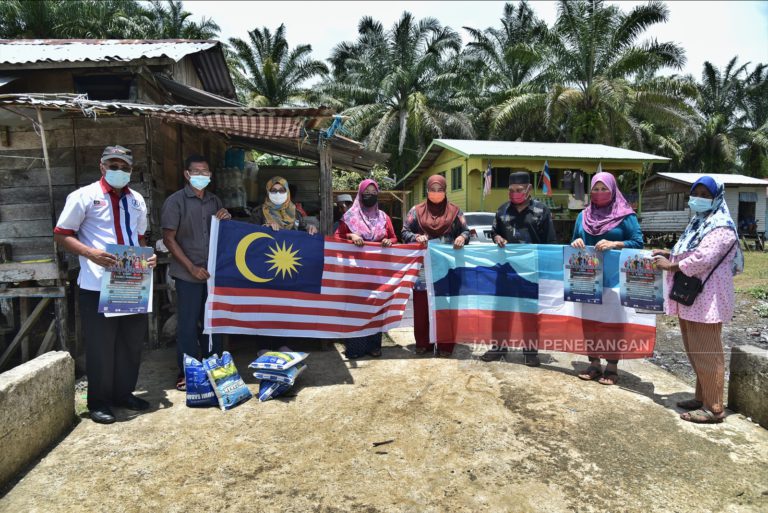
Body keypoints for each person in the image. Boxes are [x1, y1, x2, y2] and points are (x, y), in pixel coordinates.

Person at [53, 145, 157, 424]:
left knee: (131, 342)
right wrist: (91, 253)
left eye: (124, 167)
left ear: (131, 170)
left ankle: (124, 393)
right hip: (97, 283)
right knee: (101, 345)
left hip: (132, 277)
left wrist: (148, 257)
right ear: (102, 167)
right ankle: (98, 401)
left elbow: (140, 235)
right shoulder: (84, 196)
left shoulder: (137, 199)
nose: (119, 171)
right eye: (113, 165)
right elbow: (62, 234)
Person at [653, 176, 743, 424]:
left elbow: (703, 258)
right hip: (693, 296)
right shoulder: (700, 222)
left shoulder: (721, 226)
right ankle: (702, 397)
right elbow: (690, 249)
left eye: (705, 194)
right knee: (696, 349)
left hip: (708, 298)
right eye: (697, 193)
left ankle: (713, 408)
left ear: (716, 198)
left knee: (708, 352)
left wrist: (671, 265)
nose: (699, 198)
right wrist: (668, 252)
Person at [161, 155, 232, 392]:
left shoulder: (214, 201)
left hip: (212, 275)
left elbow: (221, 233)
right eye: (197, 172)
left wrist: (227, 220)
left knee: (212, 322)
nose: (201, 176)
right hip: (187, 273)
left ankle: (214, 366)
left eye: (205, 172)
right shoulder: (175, 202)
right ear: (187, 174)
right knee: (188, 324)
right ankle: (188, 371)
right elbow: (168, 239)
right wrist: (191, 267)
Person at [571, 171, 644, 385]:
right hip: (587, 277)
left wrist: (615, 244)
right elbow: (574, 239)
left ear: (613, 190)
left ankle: (612, 367)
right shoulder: (583, 216)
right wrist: (576, 242)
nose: (600, 193)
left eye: (604, 189)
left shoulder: (625, 215)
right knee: (590, 322)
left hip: (615, 279)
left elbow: (638, 242)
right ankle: (593, 363)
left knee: (613, 322)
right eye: (596, 189)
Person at [483, 171, 556, 366]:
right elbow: (495, 232)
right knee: (501, 311)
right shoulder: (502, 210)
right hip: (505, 272)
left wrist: (546, 274)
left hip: (531, 273)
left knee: (529, 313)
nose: (514, 193)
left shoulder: (542, 211)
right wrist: (497, 237)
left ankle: (530, 352)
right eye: (511, 190)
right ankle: (499, 348)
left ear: (529, 189)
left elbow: (549, 244)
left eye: (519, 190)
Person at [402, 174, 469, 357]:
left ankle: (446, 345)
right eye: (433, 189)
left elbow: (465, 231)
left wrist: (462, 237)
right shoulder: (416, 211)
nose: (436, 193)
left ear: (445, 191)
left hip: (447, 268)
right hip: (423, 267)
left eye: (440, 190)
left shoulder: (455, 212)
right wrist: (416, 237)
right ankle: (423, 343)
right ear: (427, 191)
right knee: (422, 305)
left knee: (445, 306)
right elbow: (405, 231)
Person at [335, 179, 398, 358]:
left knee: (375, 307)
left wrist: (388, 241)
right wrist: (350, 234)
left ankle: (373, 346)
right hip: (355, 273)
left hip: (378, 272)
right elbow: (337, 237)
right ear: (360, 194)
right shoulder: (349, 217)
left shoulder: (384, 217)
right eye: (366, 192)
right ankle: (355, 347)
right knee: (356, 308)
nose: (370, 195)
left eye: (373, 192)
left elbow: (394, 237)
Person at [250, 176, 318, 235]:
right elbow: (249, 232)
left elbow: (302, 230)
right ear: (268, 192)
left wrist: (309, 229)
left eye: (282, 190)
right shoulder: (258, 212)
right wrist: (265, 228)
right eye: (274, 190)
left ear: (287, 192)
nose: (278, 193)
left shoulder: (296, 213)